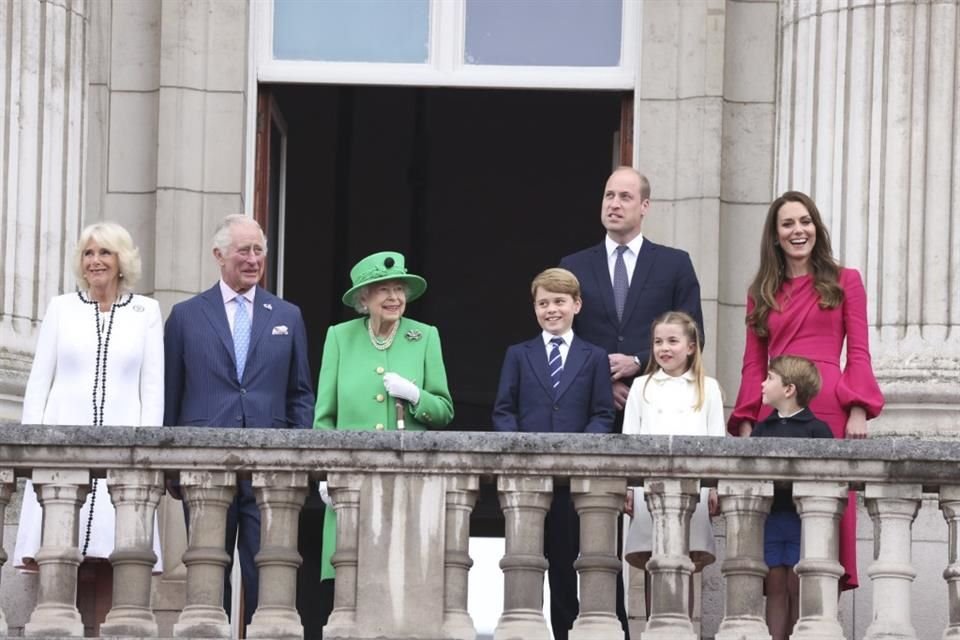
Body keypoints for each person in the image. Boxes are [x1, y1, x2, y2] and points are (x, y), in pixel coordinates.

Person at [728, 190, 884, 592]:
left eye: (805, 221)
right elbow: (752, 364)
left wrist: (858, 409)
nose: (798, 230)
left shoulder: (845, 280)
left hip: (829, 408)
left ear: (816, 227)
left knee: (823, 525)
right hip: (774, 414)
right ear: (775, 236)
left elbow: (860, 351)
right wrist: (747, 418)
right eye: (788, 224)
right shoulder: (760, 291)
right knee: (776, 533)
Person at [163, 214, 314, 628]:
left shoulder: (288, 315)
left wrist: (297, 455)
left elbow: (300, 394)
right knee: (207, 576)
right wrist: (170, 466)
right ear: (219, 255)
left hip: (271, 470)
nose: (253, 259)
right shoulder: (185, 316)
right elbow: (170, 396)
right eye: (243, 250)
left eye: (259, 250)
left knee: (268, 573)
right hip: (203, 467)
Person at [14, 221, 164, 631]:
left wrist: (146, 457)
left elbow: (152, 389)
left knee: (113, 562)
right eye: (88, 253)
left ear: (121, 262)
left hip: (122, 460)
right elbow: (38, 384)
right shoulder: (61, 308)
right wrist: (31, 451)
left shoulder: (145, 312)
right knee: (60, 560)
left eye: (105, 253)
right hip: (62, 457)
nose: (95, 261)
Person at [313, 250, 454, 625]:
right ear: (365, 299)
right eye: (384, 290)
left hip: (407, 482)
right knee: (350, 585)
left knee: (405, 584)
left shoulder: (424, 337)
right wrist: (325, 472)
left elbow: (444, 410)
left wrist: (416, 396)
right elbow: (323, 417)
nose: (394, 298)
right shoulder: (339, 338)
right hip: (351, 482)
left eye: (400, 289)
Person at [492, 267, 615, 640]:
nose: (551, 310)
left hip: (571, 483)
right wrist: (521, 452)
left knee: (565, 565)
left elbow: (602, 414)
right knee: (523, 565)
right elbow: (503, 410)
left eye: (559, 301)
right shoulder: (518, 354)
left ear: (576, 304)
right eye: (543, 303)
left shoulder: (594, 356)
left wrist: (576, 452)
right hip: (528, 482)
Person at [559, 166, 704, 417]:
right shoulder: (573, 266)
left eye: (625, 197)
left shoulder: (675, 264)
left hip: (657, 404)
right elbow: (560, 337)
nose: (614, 204)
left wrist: (638, 362)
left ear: (645, 206)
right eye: (609, 196)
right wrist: (603, 381)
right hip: (588, 408)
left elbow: (694, 337)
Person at [621, 311, 723, 616]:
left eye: (672, 341)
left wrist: (715, 487)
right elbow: (630, 440)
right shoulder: (641, 386)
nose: (664, 348)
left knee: (685, 564)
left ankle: (682, 630)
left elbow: (718, 441)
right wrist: (627, 486)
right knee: (656, 563)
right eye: (658, 341)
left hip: (694, 490)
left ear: (691, 346)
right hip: (648, 489)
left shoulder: (709, 388)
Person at [751, 355, 834, 640]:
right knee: (774, 586)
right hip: (771, 518)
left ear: (789, 389)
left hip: (805, 521)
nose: (763, 383)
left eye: (770, 378)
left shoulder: (818, 431)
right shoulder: (762, 430)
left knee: (799, 586)